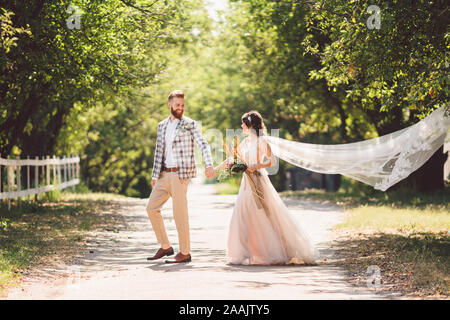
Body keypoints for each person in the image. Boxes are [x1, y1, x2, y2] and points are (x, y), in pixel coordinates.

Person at [215, 110, 317, 265]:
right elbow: (232, 158)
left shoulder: (261, 141)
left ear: (249, 124)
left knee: (264, 214)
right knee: (242, 214)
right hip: (246, 182)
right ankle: (242, 253)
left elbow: (272, 161)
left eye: (243, 123)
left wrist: (257, 165)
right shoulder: (245, 142)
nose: (241, 125)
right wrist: (215, 169)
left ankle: (275, 250)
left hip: (258, 180)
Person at [146, 90, 216, 263]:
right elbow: (158, 151)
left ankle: (185, 252)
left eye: (183, 105)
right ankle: (165, 246)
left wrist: (208, 164)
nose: (180, 108)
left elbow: (203, 144)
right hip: (164, 175)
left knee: (180, 214)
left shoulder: (189, 124)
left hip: (180, 175)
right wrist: (155, 174)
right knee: (151, 208)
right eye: (177, 105)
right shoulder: (162, 125)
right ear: (170, 104)